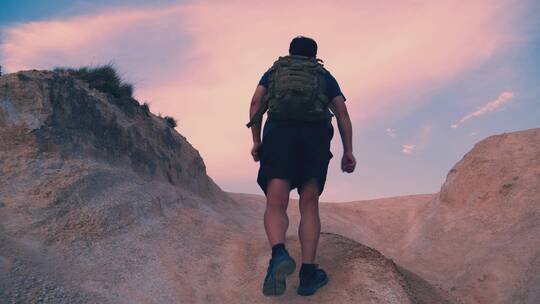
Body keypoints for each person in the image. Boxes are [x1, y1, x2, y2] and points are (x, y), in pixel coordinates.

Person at [247, 35, 356, 296]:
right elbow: (341, 111)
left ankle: (279, 254)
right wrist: (348, 150)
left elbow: (255, 103)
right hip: (315, 138)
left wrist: (257, 141)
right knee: (309, 203)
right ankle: (308, 274)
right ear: (313, 55)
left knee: (276, 202)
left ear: (290, 52)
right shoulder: (323, 75)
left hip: (279, 135)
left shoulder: (274, 72)